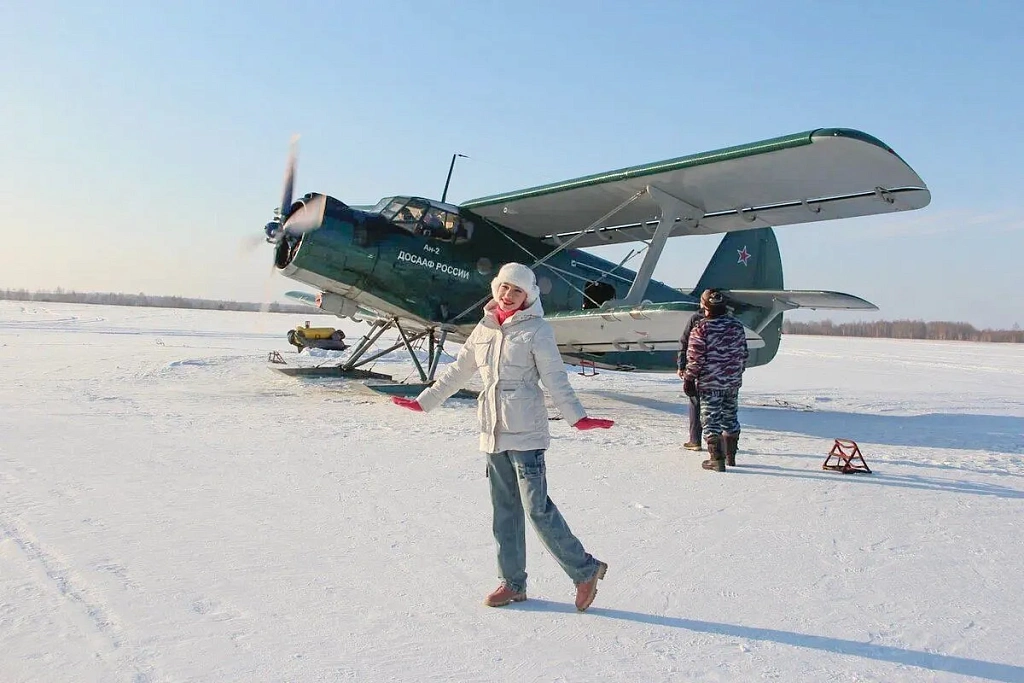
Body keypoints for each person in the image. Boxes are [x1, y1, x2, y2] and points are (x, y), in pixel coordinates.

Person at [391, 262, 614, 611]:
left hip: (526, 435)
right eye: (504, 288)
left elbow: (555, 377)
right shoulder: (483, 329)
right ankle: (512, 583)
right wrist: (425, 402)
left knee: (537, 510)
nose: (508, 296)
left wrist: (577, 417)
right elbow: (457, 372)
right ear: (495, 288)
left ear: (528, 296)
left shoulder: (538, 330)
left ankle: (585, 570)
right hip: (493, 433)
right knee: (504, 512)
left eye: (517, 291)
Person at [681, 289, 748, 472]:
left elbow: (695, 358)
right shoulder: (737, 326)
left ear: (705, 306)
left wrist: (688, 379)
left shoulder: (702, 328)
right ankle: (730, 457)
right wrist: (736, 373)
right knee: (730, 418)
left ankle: (716, 459)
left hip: (711, 383)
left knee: (711, 420)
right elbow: (744, 353)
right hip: (732, 382)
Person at [676, 308, 705, 451]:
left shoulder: (697, 321)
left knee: (696, 402)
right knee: (722, 409)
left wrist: (685, 371)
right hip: (722, 375)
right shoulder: (730, 322)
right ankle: (725, 448)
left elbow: (687, 343)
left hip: (701, 373)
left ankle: (695, 440)